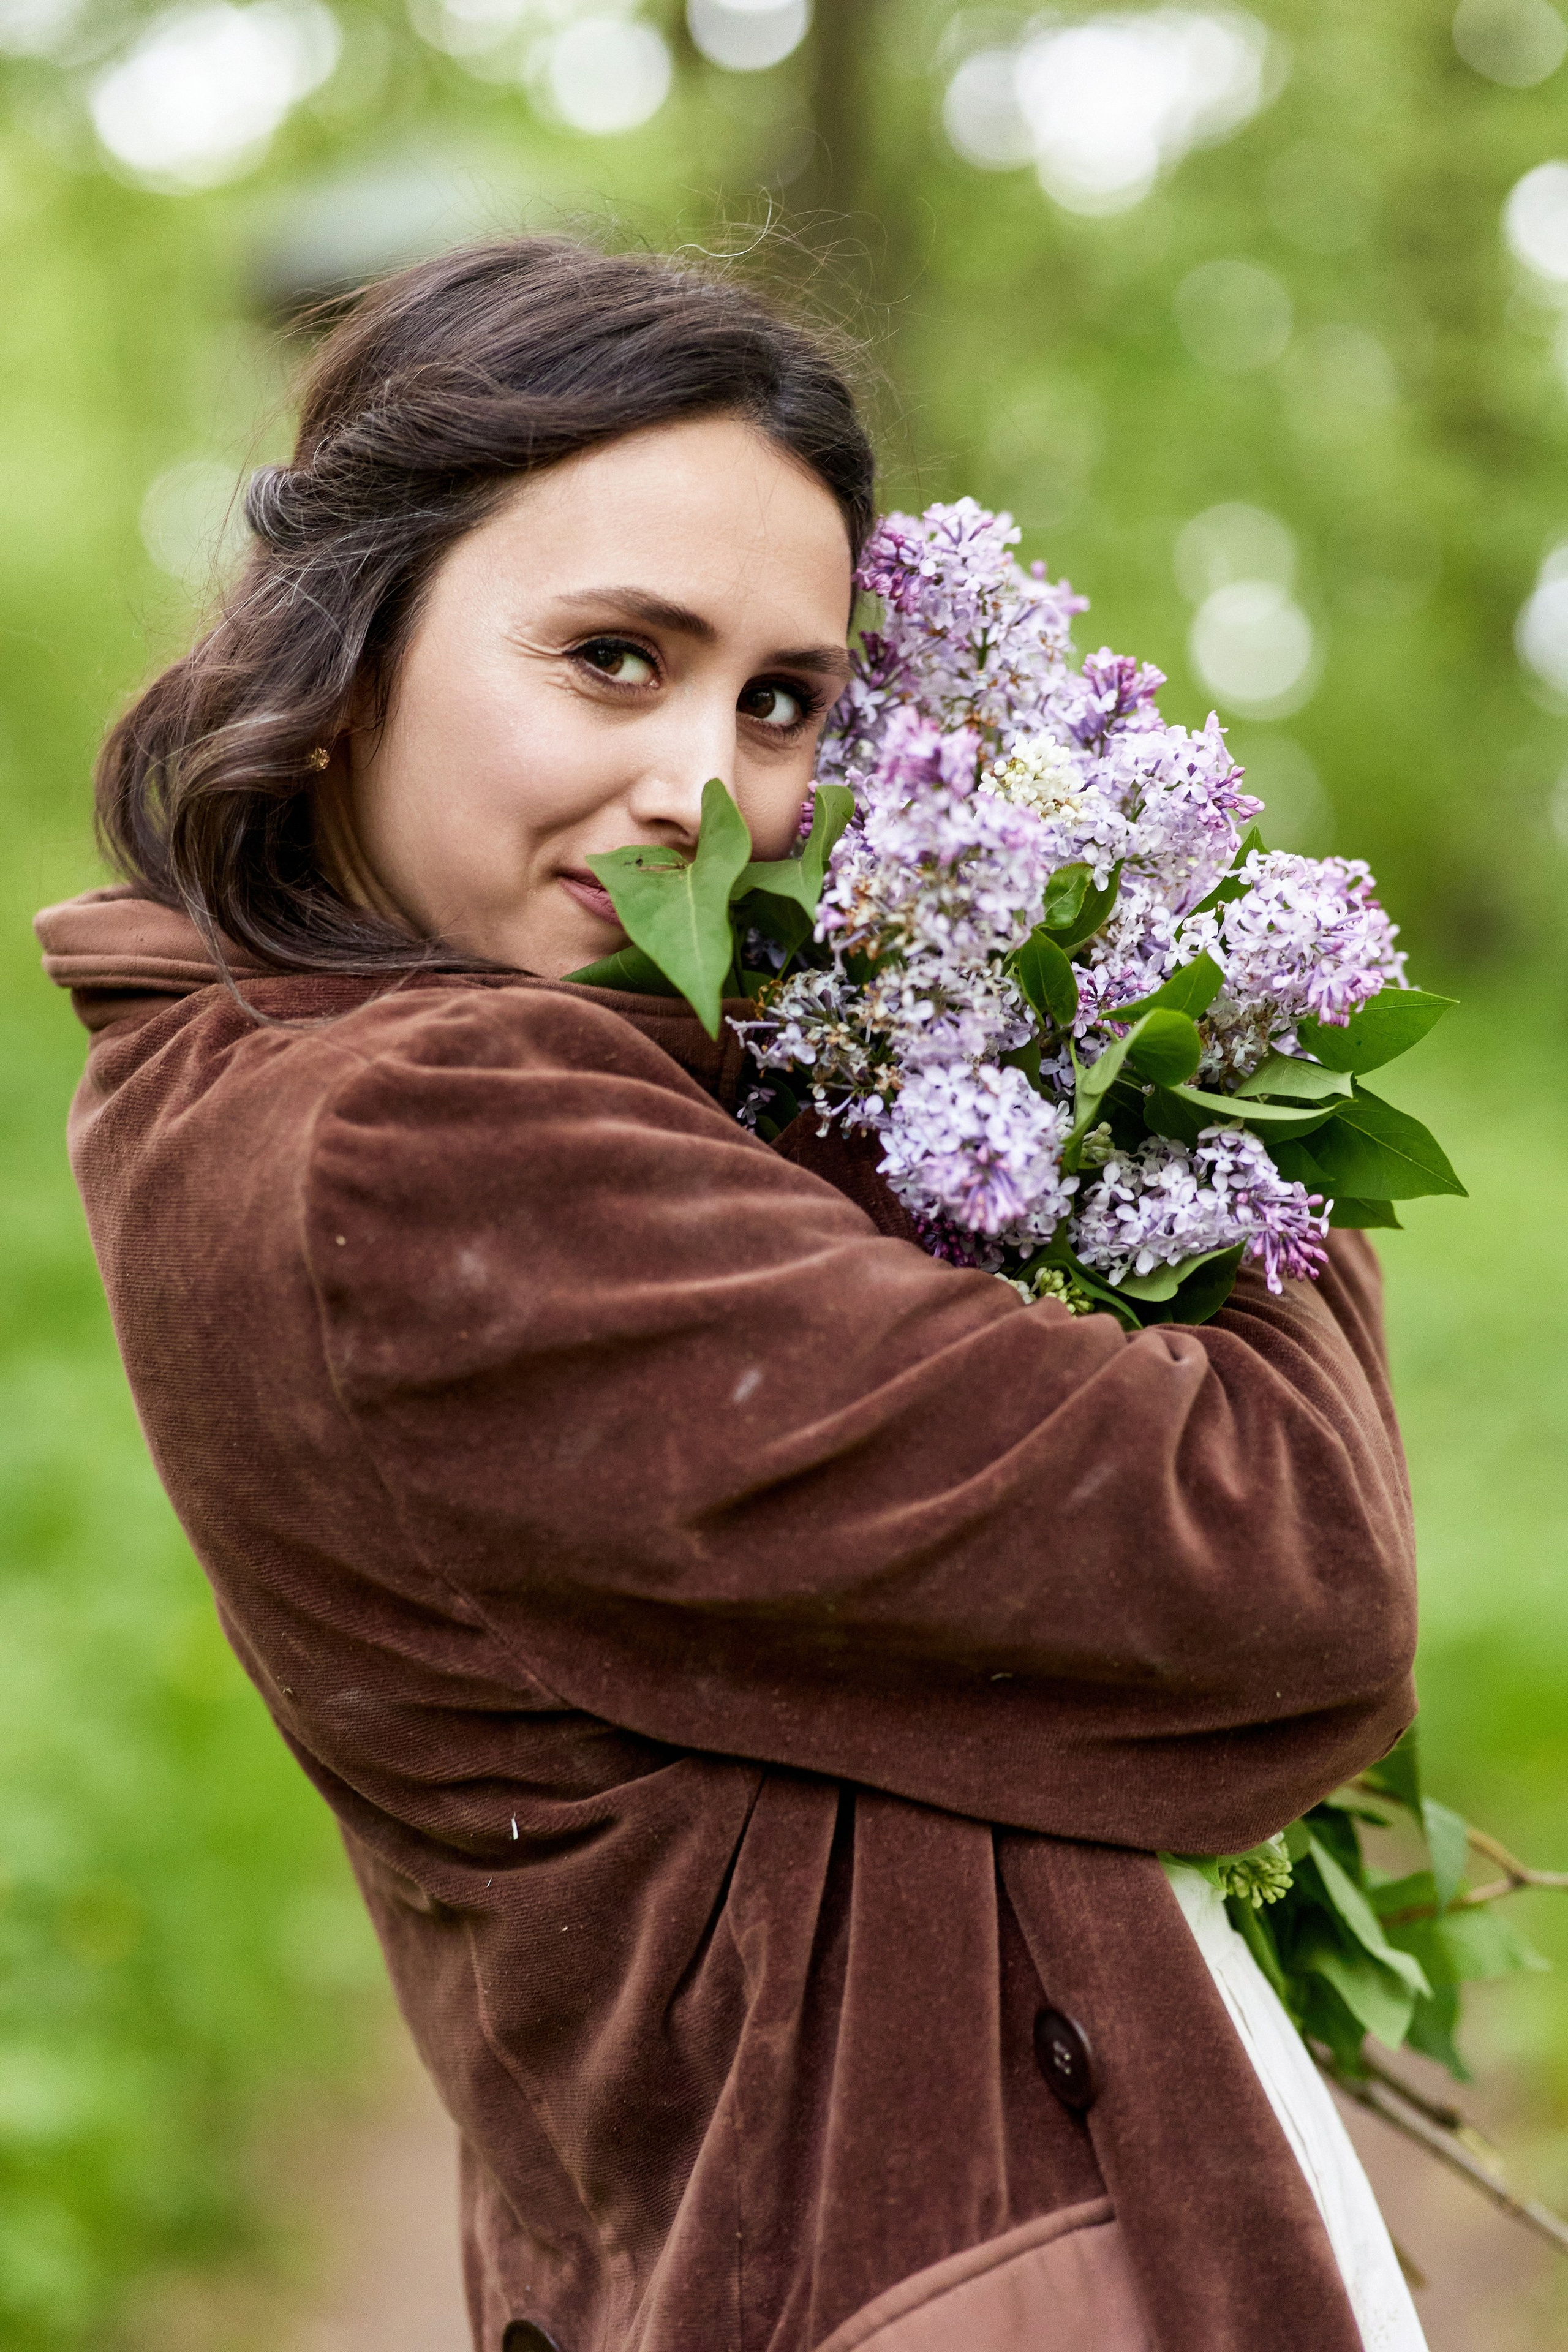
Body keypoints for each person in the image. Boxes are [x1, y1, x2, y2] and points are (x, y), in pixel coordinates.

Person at [38, 238, 1427, 2352]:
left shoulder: (318, 1087)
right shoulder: (422, 1147)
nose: (716, 793)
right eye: (613, 655)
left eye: (785, 701)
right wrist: (1197, 1054)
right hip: (927, 2276)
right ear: (350, 658)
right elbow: (1281, 1579)